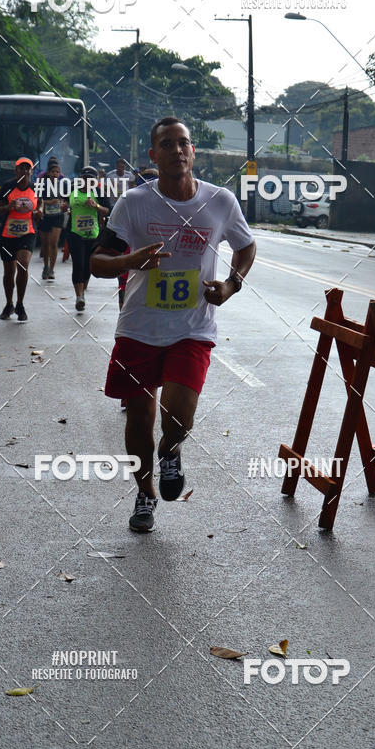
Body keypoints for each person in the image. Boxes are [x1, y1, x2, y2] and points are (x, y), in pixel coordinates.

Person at [91, 117, 256, 532]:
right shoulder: (133, 202)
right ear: (153, 154)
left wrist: (232, 285)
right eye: (167, 144)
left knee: (178, 418)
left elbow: (246, 245)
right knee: (139, 418)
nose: (177, 150)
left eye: (183, 143)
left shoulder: (220, 201)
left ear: (193, 151)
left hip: (192, 328)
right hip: (139, 328)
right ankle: (145, 494)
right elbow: (97, 262)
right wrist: (130, 260)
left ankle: (171, 450)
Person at [0, 157, 40, 322]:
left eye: (27, 168)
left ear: (31, 171)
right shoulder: (7, 187)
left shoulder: (35, 188)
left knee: (23, 264)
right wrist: (8, 207)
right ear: (16, 171)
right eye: (21, 168)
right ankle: (9, 304)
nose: (24, 171)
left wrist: (39, 213)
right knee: (9, 272)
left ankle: (20, 304)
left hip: (28, 232)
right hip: (8, 233)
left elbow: (40, 206)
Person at [66, 165, 109, 311]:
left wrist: (96, 206)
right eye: (85, 178)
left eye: (91, 179)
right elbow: (64, 203)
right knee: (78, 263)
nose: (87, 181)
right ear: (80, 179)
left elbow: (107, 210)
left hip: (93, 235)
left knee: (87, 266)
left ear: (95, 180)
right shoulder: (72, 190)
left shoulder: (99, 193)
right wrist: (65, 207)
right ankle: (79, 296)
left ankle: (82, 291)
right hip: (75, 233)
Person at [38, 161, 65, 280]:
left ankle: (51, 270)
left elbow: (66, 199)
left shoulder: (63, 185)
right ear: (48, 173)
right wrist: (49, 202)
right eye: (53, 172)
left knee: (54, 243)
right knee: (45, 244)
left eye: (57, 172)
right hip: (45, 216)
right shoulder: (42, 185)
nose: (55, 174)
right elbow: (37, 200)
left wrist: (64, 204)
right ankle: (46, 266)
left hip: (58, 216)